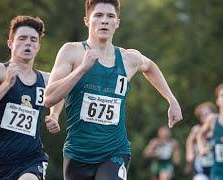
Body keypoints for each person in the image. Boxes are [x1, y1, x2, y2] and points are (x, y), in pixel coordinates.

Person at [44, 0, 183, 179]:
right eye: (98, 15)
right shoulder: (72, 52)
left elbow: (150, 67)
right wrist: (82, 69)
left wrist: (171, 99)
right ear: (87, 20)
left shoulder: (128, 58)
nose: (104, 21)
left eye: (110, 16)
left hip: (115, 151)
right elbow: (49, 98)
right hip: (77, 153)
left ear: (117, 23)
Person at [0, 15, 60, 180]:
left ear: (38, 46)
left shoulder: (45, 79)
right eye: (22, 38)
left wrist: (54, 114)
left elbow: (60, 93)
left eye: (33, 40)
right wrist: (6, 86)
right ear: (10, 43)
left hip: (32, 159)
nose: (28, 43)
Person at [185, 102, 217, 179]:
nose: (206, 117)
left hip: (217, 166)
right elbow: (189, 142)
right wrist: (190, 155)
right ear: (200, 118)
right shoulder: (197, 129)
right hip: (201, 166)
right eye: (203, 115)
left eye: (208, 114)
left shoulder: (219, 129)